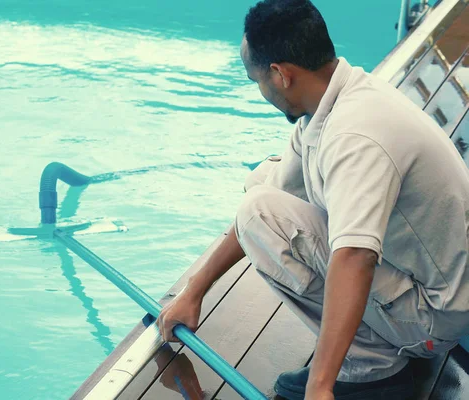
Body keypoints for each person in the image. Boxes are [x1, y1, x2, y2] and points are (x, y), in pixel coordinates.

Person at [156, 0, 469, 399]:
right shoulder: (335, 100)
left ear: (281, 75)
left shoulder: (353, 138)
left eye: (257, 81)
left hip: (435, 317)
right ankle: (371, 352)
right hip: (431, 282)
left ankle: (372, 368)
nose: (261, 91)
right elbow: (278, 193)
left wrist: (320, 386)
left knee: (258, 213)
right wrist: (193, 292)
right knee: (263, 185)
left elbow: (355, 257)